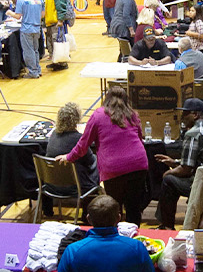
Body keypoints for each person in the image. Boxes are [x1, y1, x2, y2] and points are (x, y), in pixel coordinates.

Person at [57, 87, 152, 224]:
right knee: (134, 208)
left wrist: (69, 157)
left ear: (106, 98)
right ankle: (133, 240)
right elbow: (139, 139)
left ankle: (114, 240)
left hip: (113, 167)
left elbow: (83, 145)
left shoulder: (98, 115)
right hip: (138, 164)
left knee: (114, 209)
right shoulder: (132, 114)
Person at [155, 98, 203, 228]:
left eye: (185, 114)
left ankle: (166, 226)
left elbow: (186, 169)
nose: (182, 117)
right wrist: (174, 162)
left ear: (195, 115)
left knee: (168, 180)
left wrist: (169, 171)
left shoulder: (192, 133)